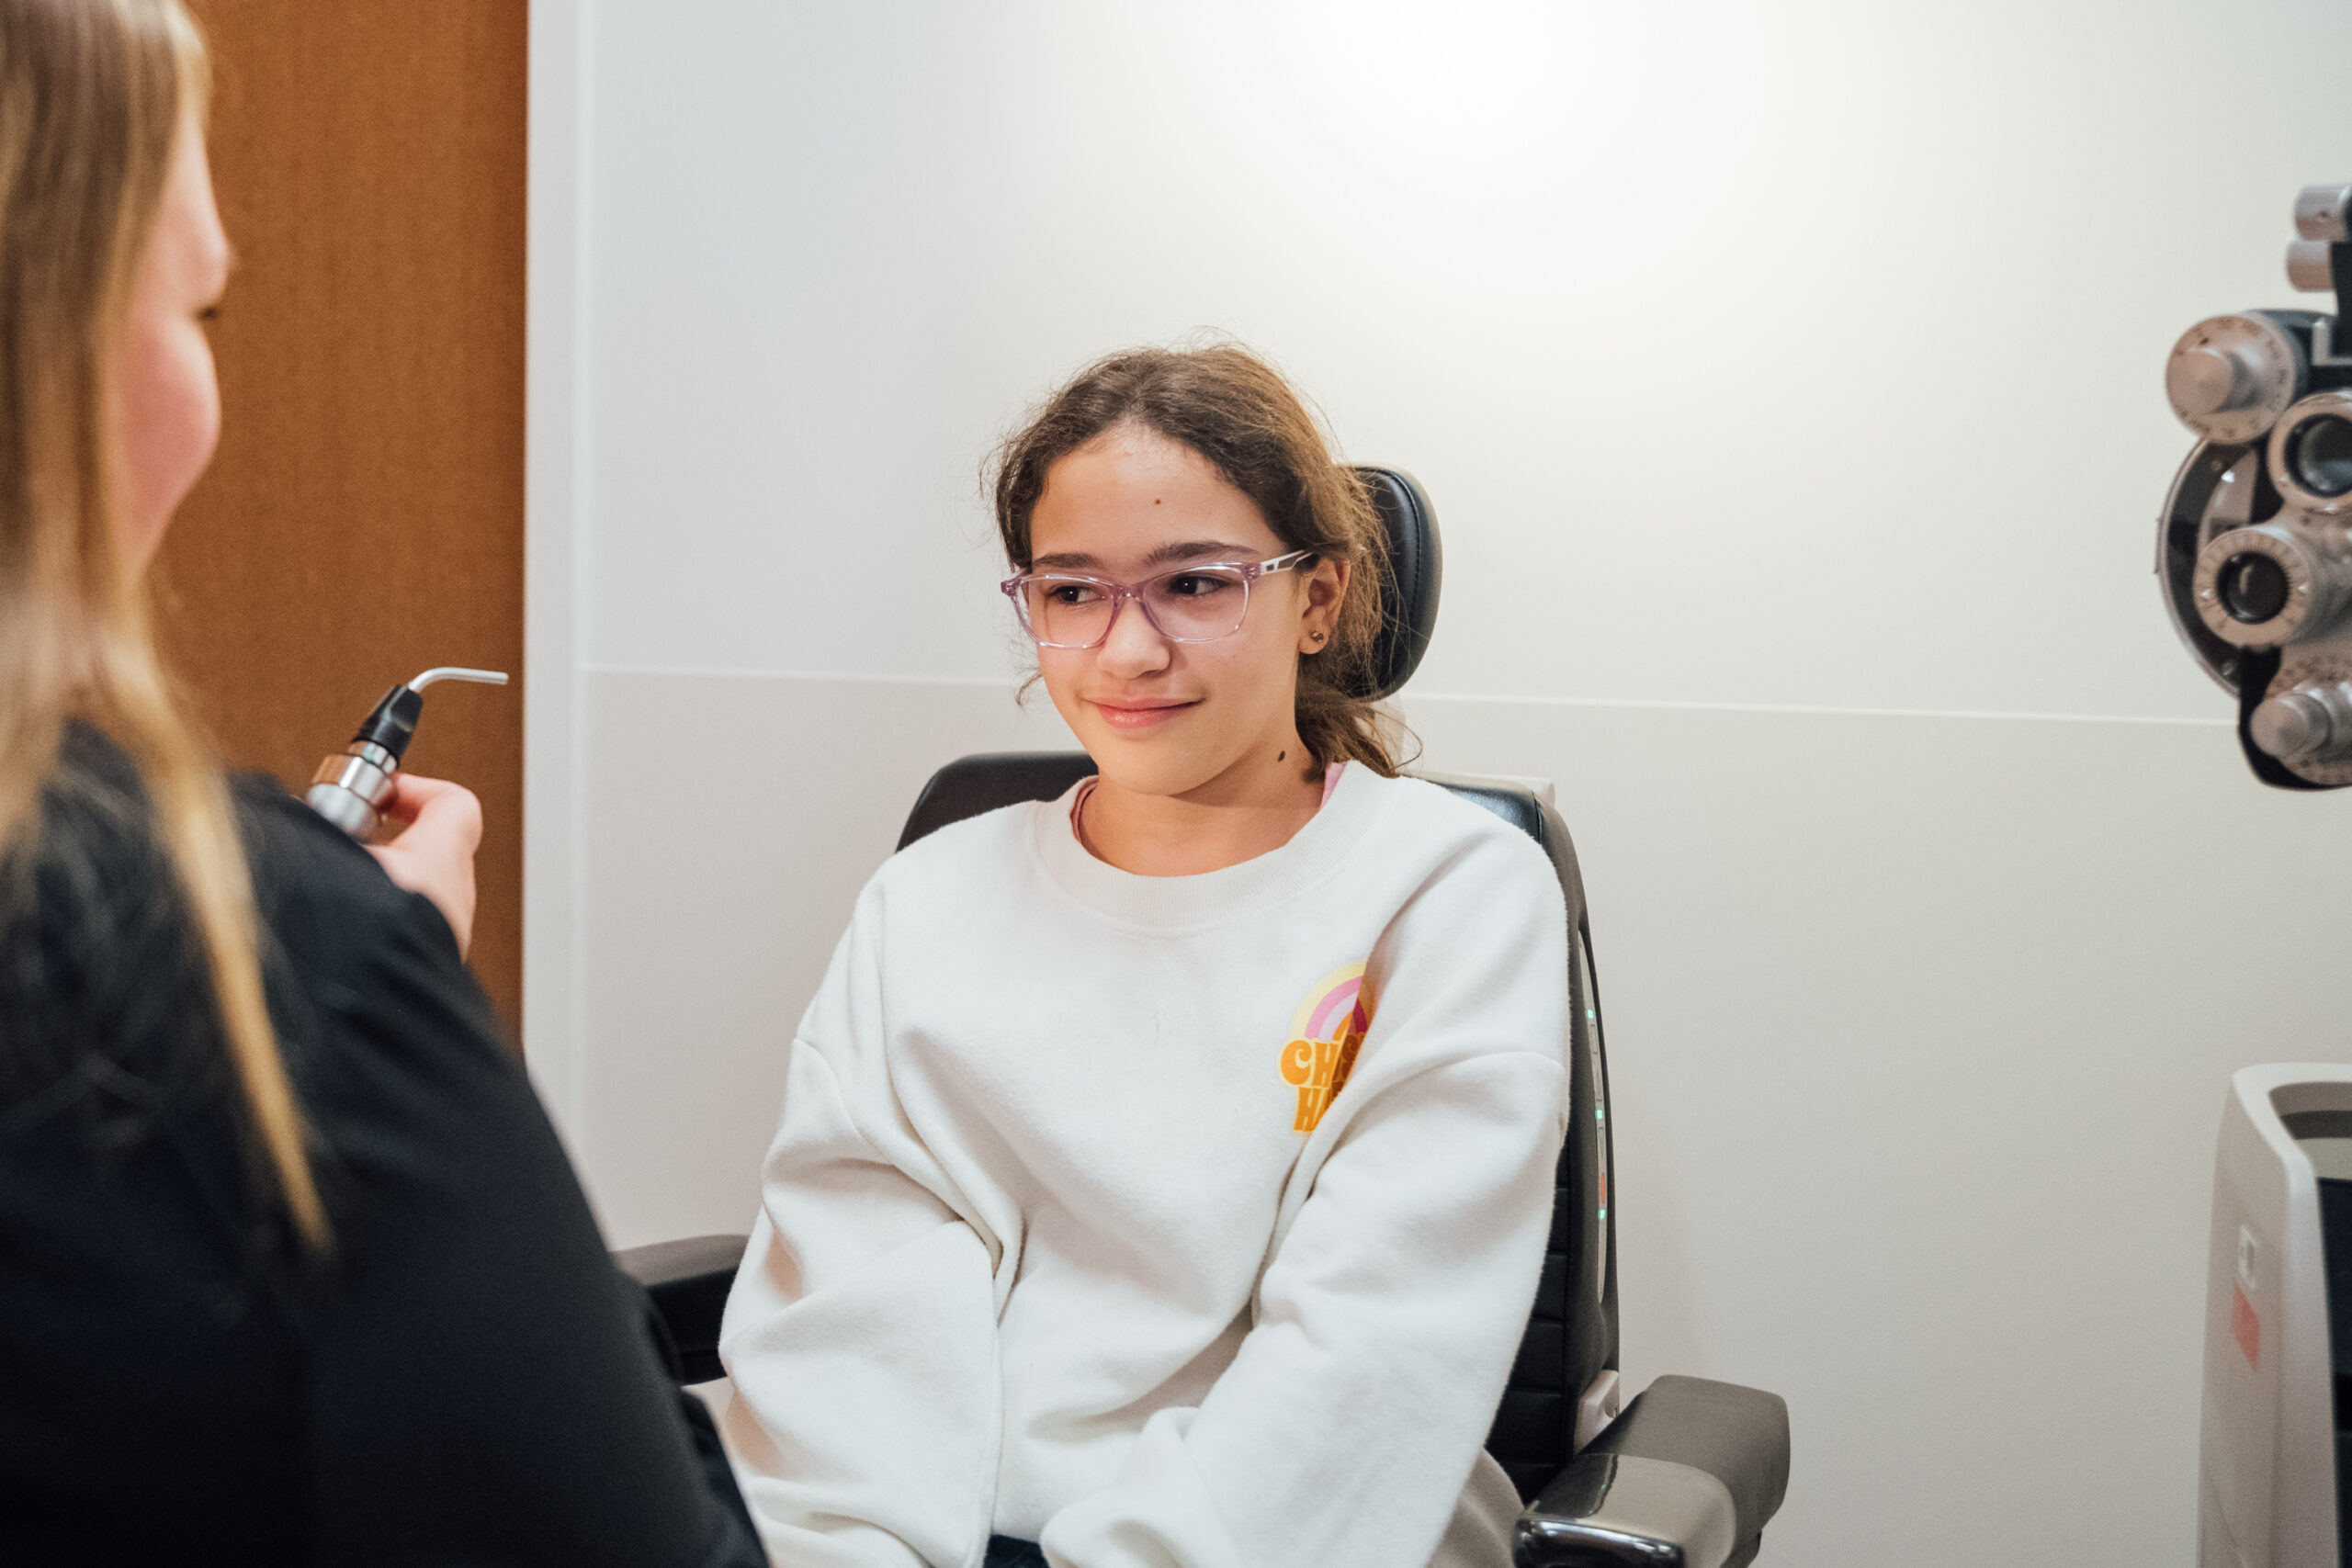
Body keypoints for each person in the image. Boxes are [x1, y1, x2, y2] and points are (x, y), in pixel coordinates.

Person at [0, 3, 765, 1562]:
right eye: (198, 311)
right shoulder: (274, 969)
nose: (1129, 644)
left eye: (1194, 583)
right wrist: (372, 1001)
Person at [719, 344, 1571, 1568]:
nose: (1126, 652)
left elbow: (1368, 1362)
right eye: (1072, 594)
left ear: (1316, 600)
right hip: (955, 1536)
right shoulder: (932, 901)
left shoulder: (1448, 894)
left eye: (1196, 584)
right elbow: (852, 1328)